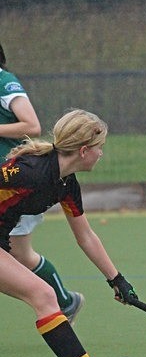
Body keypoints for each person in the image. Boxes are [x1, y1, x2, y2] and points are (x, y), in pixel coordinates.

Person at [0, 108, 138, 357]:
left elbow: (85, 235)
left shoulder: (64, 184)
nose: (101, 154)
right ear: (84, 150)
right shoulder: (30, 172)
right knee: (44, 295)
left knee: (43, 296)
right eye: (100, 148)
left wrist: (117, 279)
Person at [0, 41, 84, 323]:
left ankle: (63, 302)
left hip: (15, 184)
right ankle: (60, 301)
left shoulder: (5, 82)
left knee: (20, 256)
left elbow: (32, 126)